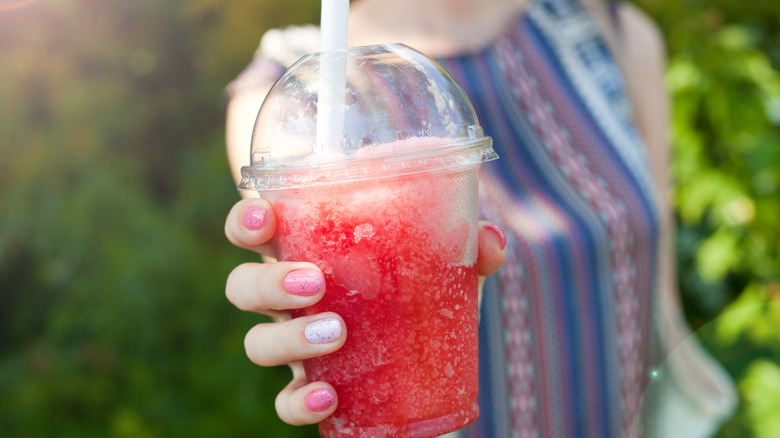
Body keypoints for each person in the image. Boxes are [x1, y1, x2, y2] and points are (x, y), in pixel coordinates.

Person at [223, 0, 737, 436]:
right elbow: (317, 299)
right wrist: (312, 330)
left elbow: (657, 299)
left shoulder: (606, 29)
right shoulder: (296, 93)